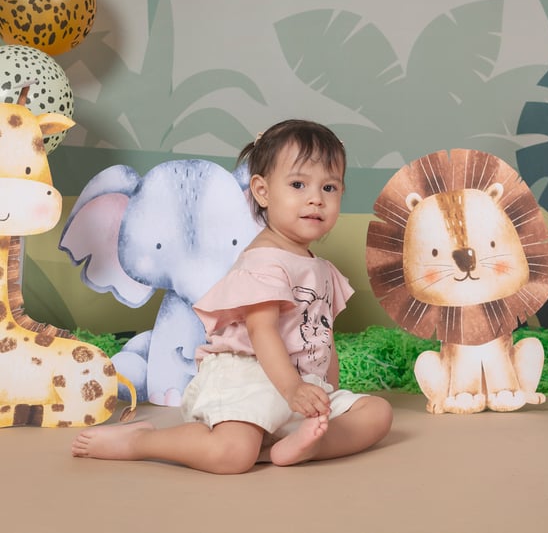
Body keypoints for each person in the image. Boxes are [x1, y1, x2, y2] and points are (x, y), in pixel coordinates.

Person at [71, 119, 393, 474]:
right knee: (232, 455)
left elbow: (321, 333)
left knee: (378, 414)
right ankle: (140, 441)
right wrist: (293, 390)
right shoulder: (264, 260)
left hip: (298, 385)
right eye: (298, 184)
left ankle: (287, 447)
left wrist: (325, 390)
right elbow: (262, 332)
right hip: (252, 379)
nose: (316, 198)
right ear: (262, 191)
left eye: (329, 187)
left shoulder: (318, 266)